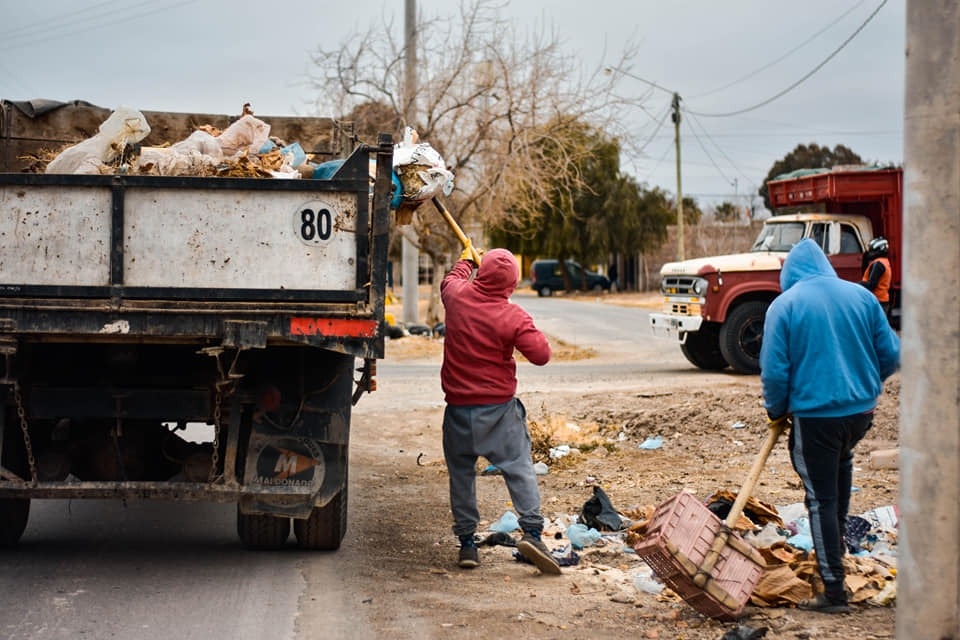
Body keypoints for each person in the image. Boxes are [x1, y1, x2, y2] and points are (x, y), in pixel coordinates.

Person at [759, 239, 900, 614]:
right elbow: (891, 354)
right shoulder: (862, 297)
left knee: (821, 498)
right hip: (859, 415)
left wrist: (776, 410)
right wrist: (865, 384)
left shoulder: (785, 305)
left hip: (816, 417)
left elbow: (774, 372)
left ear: (789, 274)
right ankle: (836, 557)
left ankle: (834, 591)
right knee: (838, 474)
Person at [439, 245, 560, 575]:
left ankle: (467, 543)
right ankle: (532, 533)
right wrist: (523, 326)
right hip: (498, 414)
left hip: (457, 412)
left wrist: (466, 258)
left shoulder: (456, 297)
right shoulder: (512, 316)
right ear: (512, 285)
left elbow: (451, 279)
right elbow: (541, 355)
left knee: (461, 477)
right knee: (519, 467)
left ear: (481, 273)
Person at [860, 237, 892, 316]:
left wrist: (856, 285)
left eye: (872, 250)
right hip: (882, 300)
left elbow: (871, 284)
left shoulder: (878, 264)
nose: (870, 253)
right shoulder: (885, 261)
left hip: (877, 300)